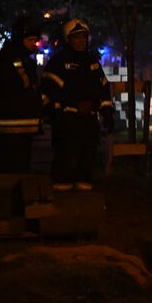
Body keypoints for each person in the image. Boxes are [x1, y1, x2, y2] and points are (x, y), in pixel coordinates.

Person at [40, 18, 115, 191]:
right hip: (67, 123)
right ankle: (60, 201)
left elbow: (103, 90)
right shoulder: (58, 63)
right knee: (64, 163)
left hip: (88, 123)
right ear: (68, 40)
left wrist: (107, 112)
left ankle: (83, 204)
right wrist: (57, 113)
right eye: (77, 37)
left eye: (84, 37)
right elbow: (48, 93)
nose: (81, 41)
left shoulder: (93, 63)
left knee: (87, 162)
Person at [0, 14, 46, 172]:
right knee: (12, 169)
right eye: (30, 40)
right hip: (9, 125)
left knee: (21, 168)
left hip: (21, 125)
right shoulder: (8, 58)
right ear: (19, 38)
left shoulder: (23, 59)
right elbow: (19, 86)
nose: (33, 45)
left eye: (35, 40)